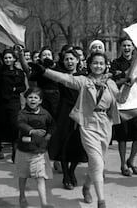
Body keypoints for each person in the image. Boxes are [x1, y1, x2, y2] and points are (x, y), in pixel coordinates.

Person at [29, 52, 120, 208]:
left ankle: (86, 187)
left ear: (106, 66)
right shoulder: (83, 81)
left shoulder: (111, 83)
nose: (98, 66)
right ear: (89, 65)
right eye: (95, 63)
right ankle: (101, 202)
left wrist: (130, 85)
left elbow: (122, 99)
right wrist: (45, 71)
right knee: (97, 162)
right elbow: (65, 79)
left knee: (96, 163)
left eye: (101, 63)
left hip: (105, 125)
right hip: (88, 125)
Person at [47, 49, 88, 190]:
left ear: (78, 60)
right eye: (66, 59)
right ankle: (66, 175)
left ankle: (72, 170)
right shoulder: (60, 75)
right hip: (64, 113)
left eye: (72, 59)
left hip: (80, 112)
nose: (69, 62)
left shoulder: (84, 77)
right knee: (63, 144)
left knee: (78, 145)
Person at [111, 37, 137, 176]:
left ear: (133, 47)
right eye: (124, 45)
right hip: (122, 104)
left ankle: (131, 160)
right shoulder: (115, 63)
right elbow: (114, 82)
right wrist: (126, 76)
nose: (126, 48)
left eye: (129, 46)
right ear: (120, 47)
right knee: (123, 136)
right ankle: (122, 166)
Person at [16, 86, 55, 208]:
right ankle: (22, 196)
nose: (33, 100)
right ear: (26, 99)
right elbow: (20, 123)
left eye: (36, 98)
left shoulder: (45, 114)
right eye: (30, 97)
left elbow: (52, 126)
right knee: (23, 175)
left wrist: (48, 136)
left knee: (40, 177)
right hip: (24, 150)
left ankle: (44, 203)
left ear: (40, 101)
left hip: (39, 151)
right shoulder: (23, 113)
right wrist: (31, 130)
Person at [0, 49, 26, 161]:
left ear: (14, 59)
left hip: (14, 103)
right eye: (5, 58)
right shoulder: (1, 70)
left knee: (15, 127)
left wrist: (16, 89)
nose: (7, 60)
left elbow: (23, 87)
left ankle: (15, 152)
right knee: (0, 125)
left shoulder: (19, 72)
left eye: (10, 57)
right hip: (2, 103)